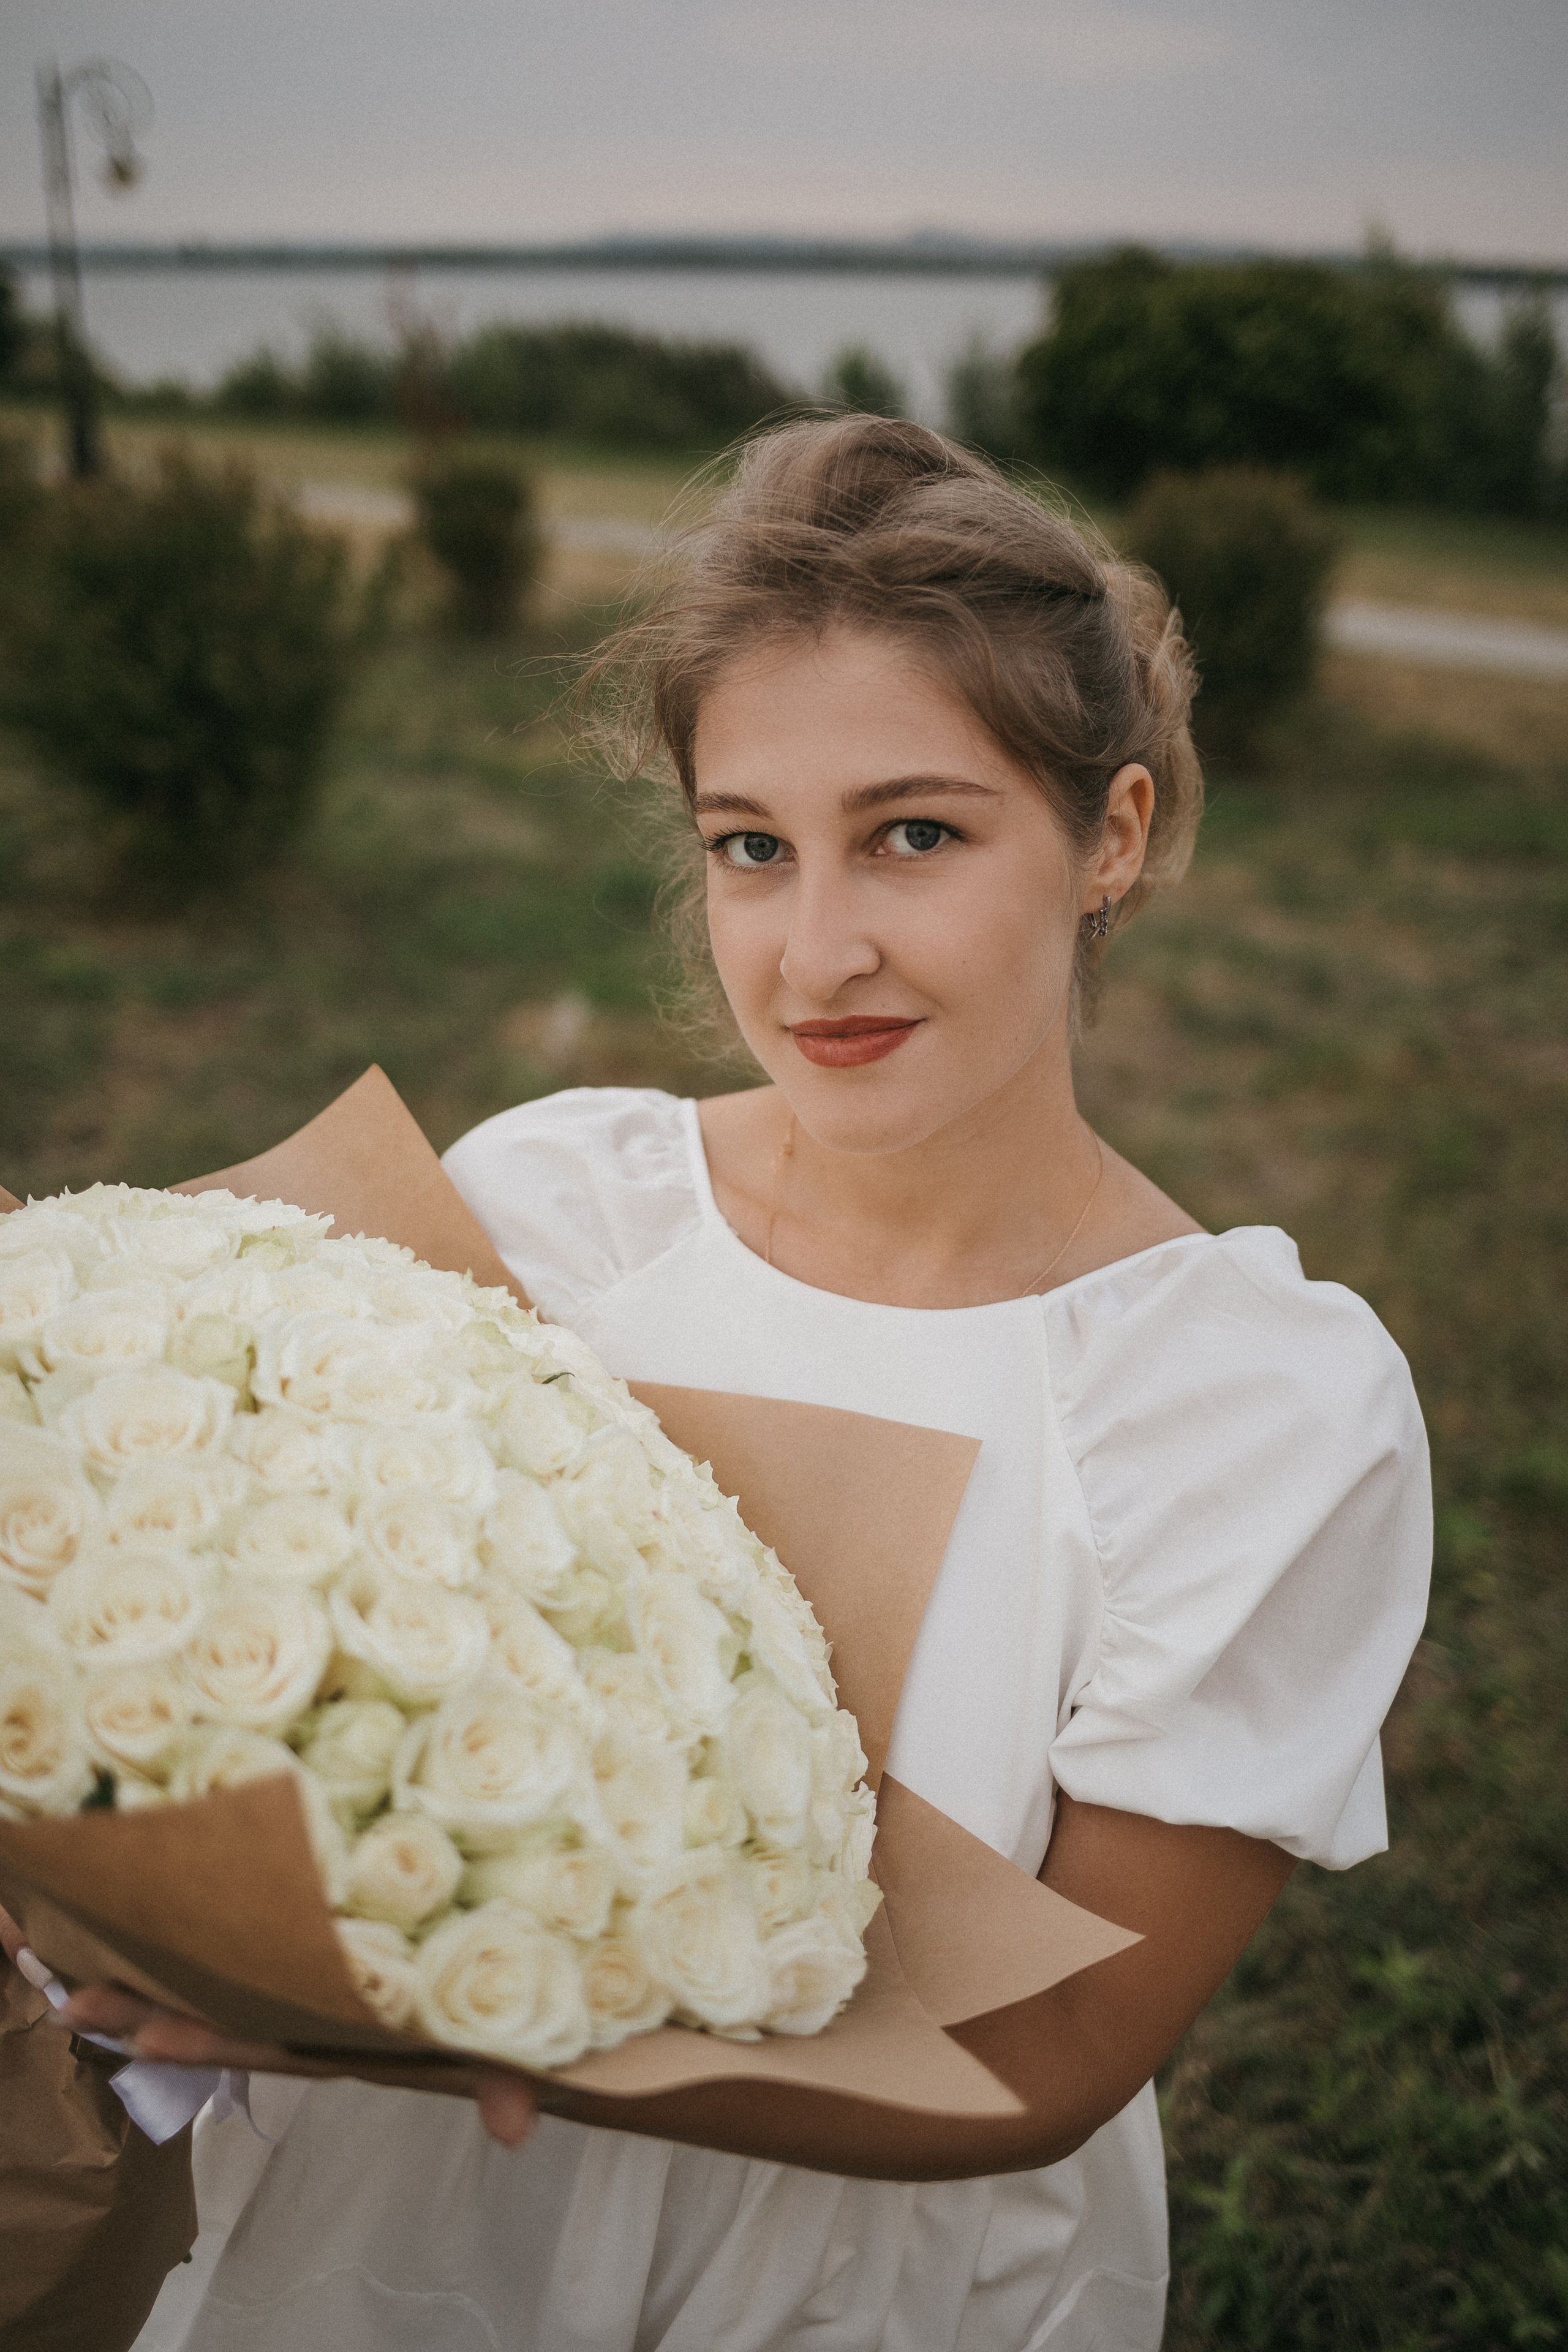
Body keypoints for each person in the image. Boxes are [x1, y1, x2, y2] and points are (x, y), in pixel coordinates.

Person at [70, 417, 1431, 2352]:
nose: (818, 953)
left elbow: (1058, 2044)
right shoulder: (557, 1212)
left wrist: (423, 2040)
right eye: (751, 849)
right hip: (402, 2249)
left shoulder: (1242, 1406)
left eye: (918, 833)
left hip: (858, 2278)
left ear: (1112, 833)